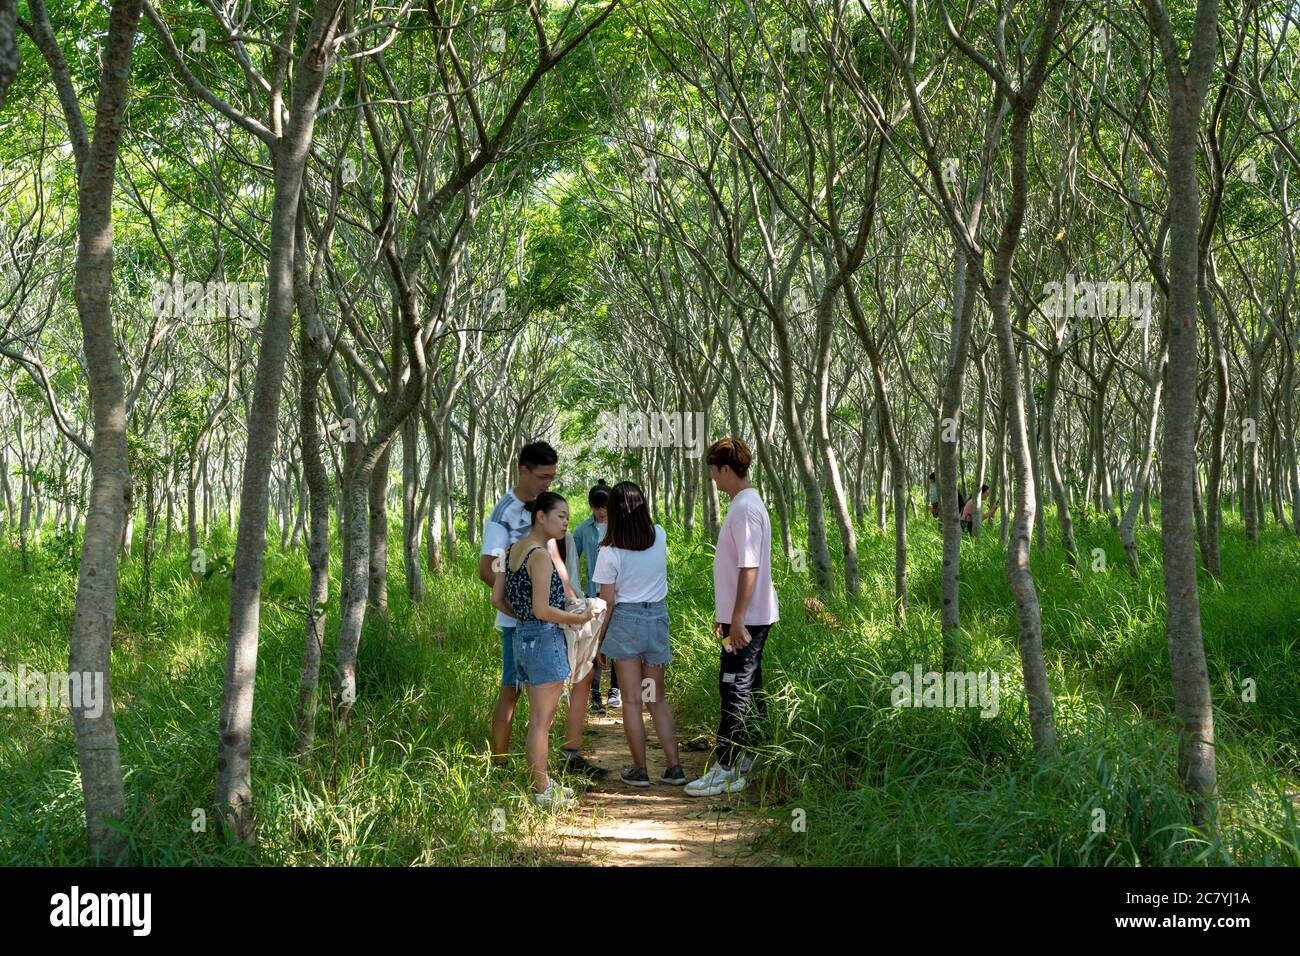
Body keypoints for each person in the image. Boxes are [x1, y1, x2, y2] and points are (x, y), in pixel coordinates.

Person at [686, 436, 779, 798]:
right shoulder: (743, 504)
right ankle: (750, 759)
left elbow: (749, 567)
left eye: (713, 472)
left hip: (749, 619)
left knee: (733, 686)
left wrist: (737, 619)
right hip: (740, 618)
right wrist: (726, 617)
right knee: (749, 685)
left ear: (726, 469)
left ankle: (726, 768)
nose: (712, 479)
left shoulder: (745, 508)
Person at [491, 492, 595, 809]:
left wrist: (523, 619)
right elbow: (543, 609)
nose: (566, 521)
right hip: (544, 639)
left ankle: (543, 784)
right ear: (541, 516)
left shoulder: (511, 551)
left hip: (522, 638)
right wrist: (581, 617)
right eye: (561, 515)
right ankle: (541, 792)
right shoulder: (539, 555)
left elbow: (497, 600)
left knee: (538, 719)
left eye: (567, 516)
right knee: (541, 722)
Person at [591, 481, 686, 787]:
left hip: (626, 623)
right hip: (656, 619)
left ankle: (640, 769)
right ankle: (675, 768)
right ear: (643, 505)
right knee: (654, 698)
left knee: (631, 700)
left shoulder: (609, 549)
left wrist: (598, 641)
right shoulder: (659, 535)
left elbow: (607, 601)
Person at [479, 441, 558, 768]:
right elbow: (487, 569)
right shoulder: (504, 512)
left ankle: (540, 770)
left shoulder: (544, 505)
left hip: (549, 620)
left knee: (546, 695)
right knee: (511, 690)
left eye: (552, 478)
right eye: (542, 477)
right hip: (518, 624)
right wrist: (524, 606)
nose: (546, 484)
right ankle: (499, 765)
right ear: (523, 470)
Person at [573, 480, 619, 714]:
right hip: (595, 595)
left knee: (616, 644)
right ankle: (595, 694)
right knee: (595, 644)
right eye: (596, 507)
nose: (601, 512)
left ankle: (615, 690)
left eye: (605, 507)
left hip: (619, 596)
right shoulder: (583, 530)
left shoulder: (620, 527)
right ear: (591, 506)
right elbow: (571, 557)